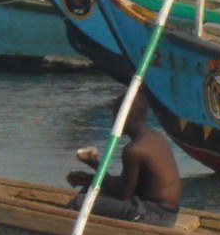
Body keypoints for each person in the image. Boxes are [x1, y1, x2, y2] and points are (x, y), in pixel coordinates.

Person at [66, 92, 182, 227]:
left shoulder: (134, 150)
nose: (113, 120)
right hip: (164, 212)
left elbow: (122, 194)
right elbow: (130, 184)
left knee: (79, 202)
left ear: (124, 117)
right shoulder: (156, 136)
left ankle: (65, 230)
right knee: (93, 188)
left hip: (153, 215)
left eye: (115, 115)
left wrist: (95, 164)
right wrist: (92, 178)